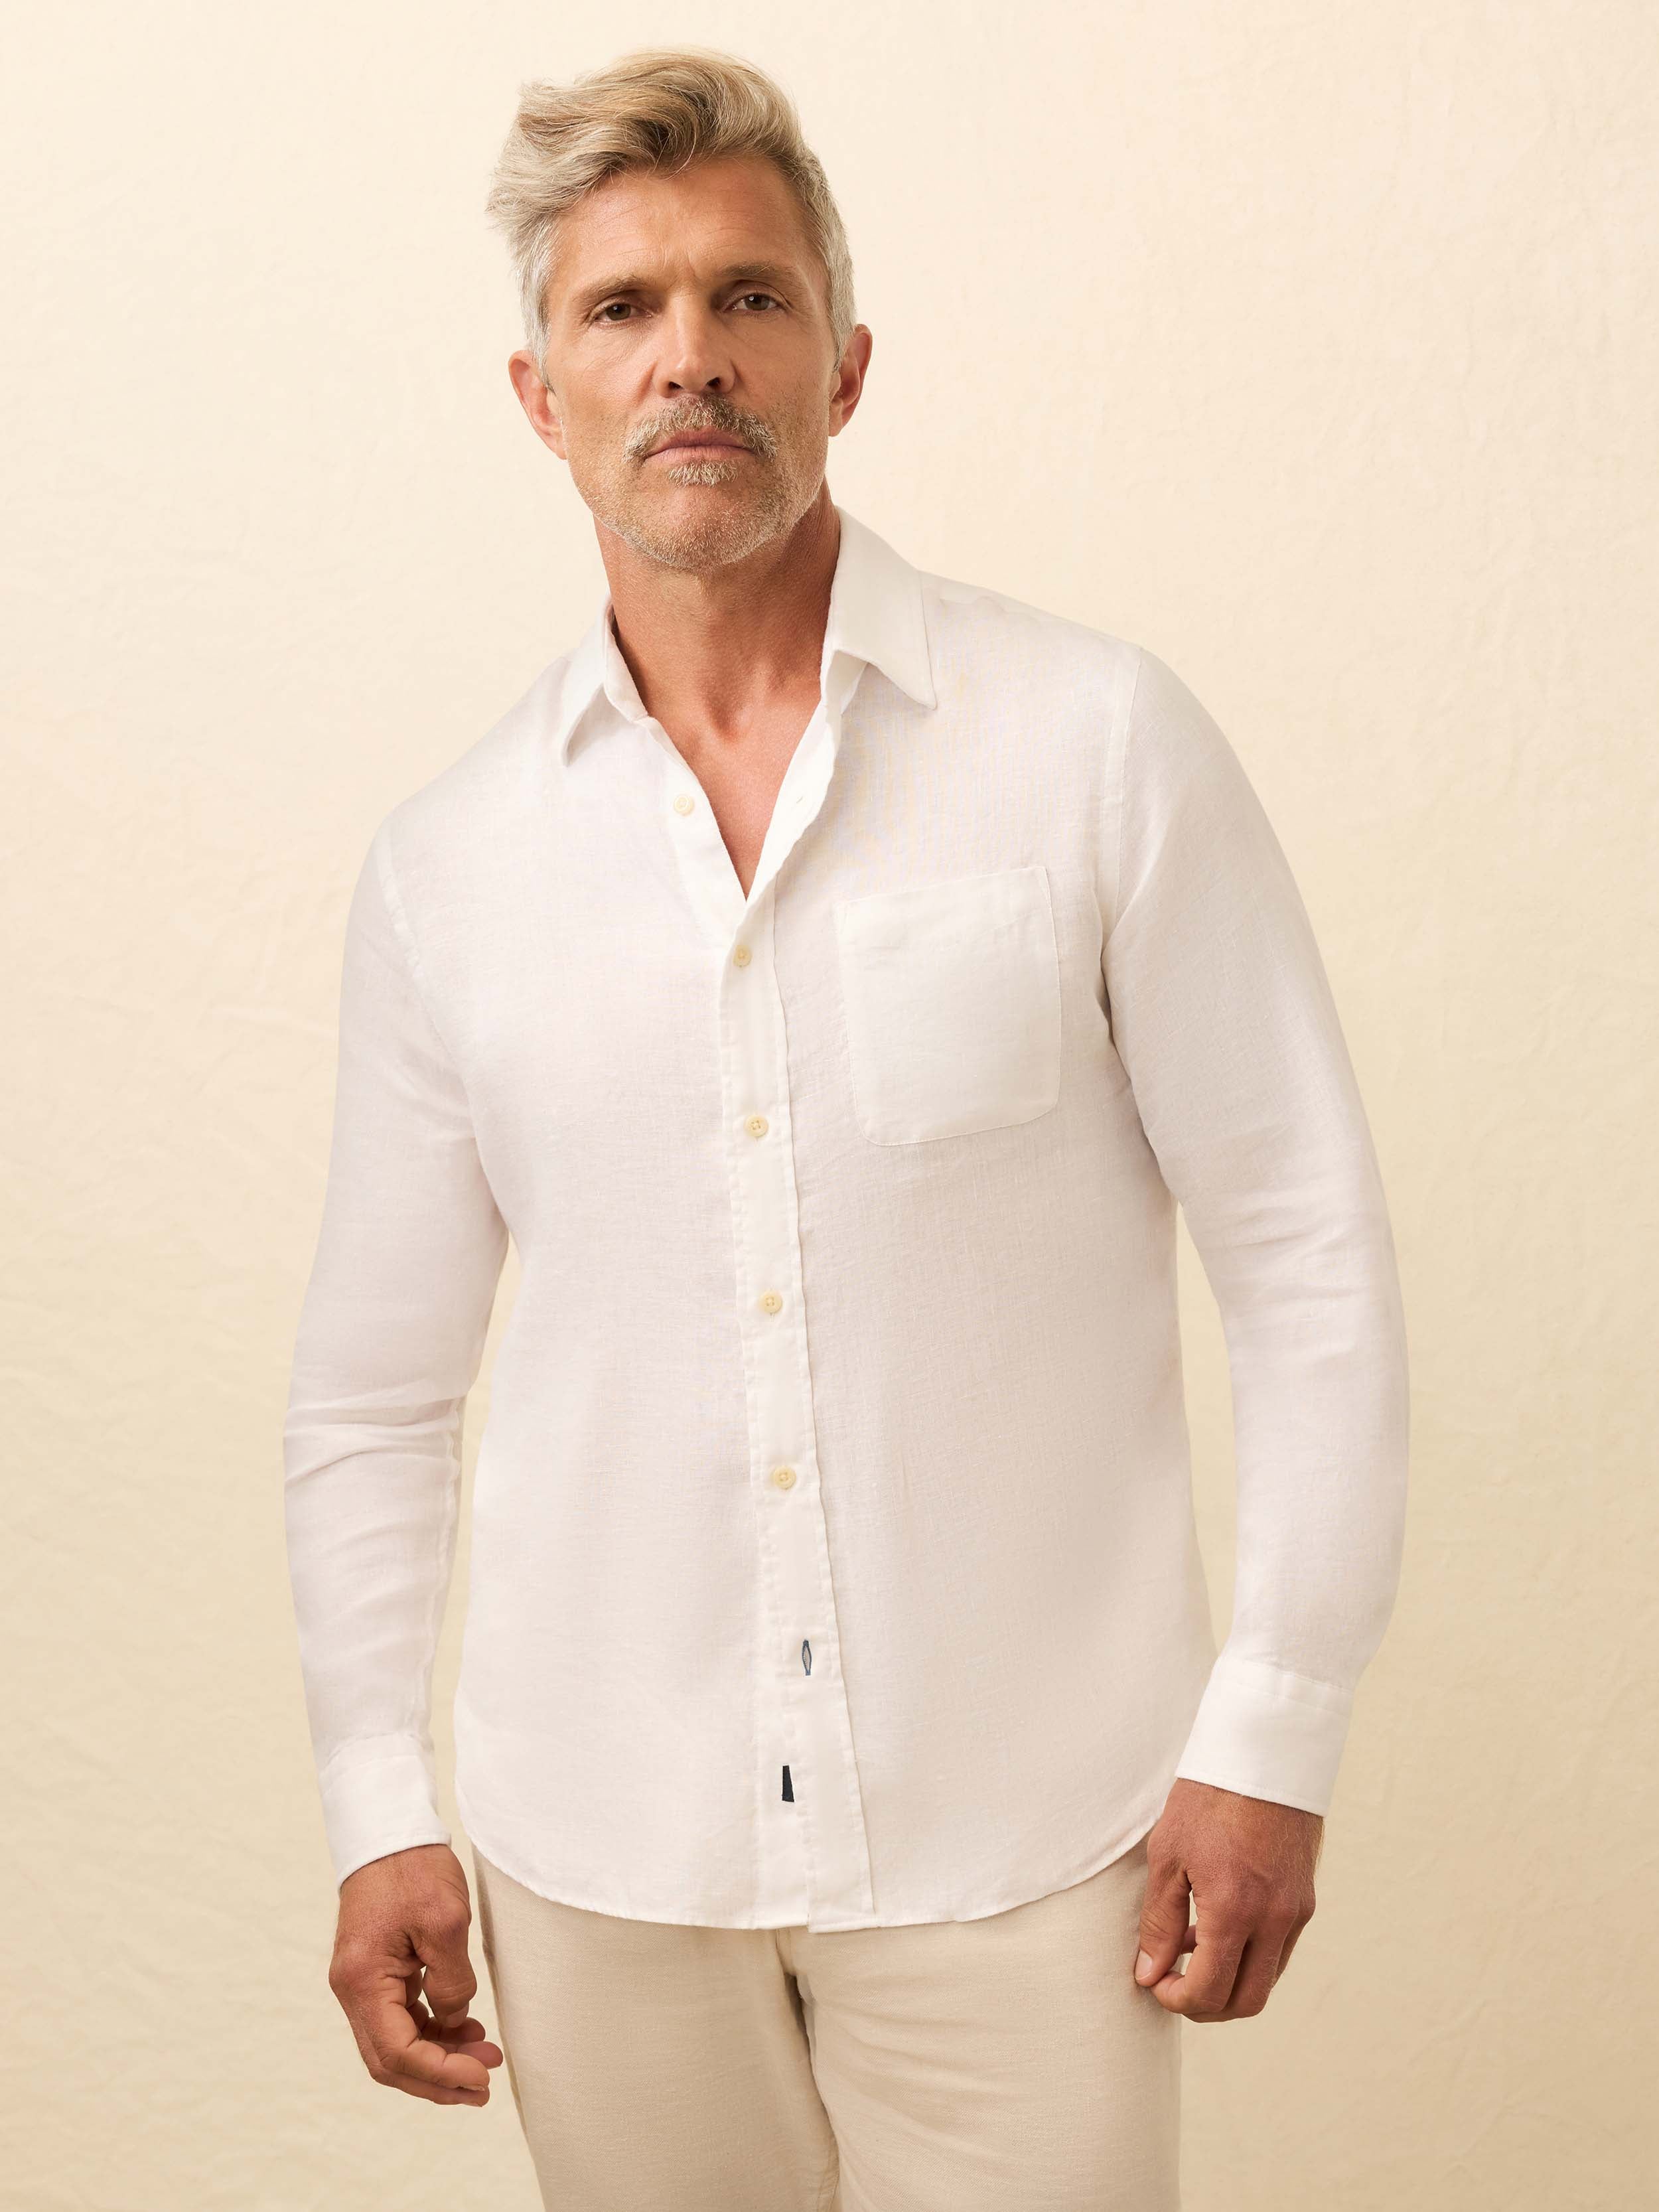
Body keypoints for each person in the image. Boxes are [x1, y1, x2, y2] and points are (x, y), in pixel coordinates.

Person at [282, 44, 1409, 2212]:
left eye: (748, 297)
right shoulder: (448, 868)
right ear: (539, 393)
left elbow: (1306, 1250)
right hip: (600, 1859)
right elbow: (373, 1390)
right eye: (619, 309)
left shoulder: (1092, 749)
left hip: (1030, 1841)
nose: (687, 359)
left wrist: (1268, 1728)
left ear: (846, 363)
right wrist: (374, 1799)